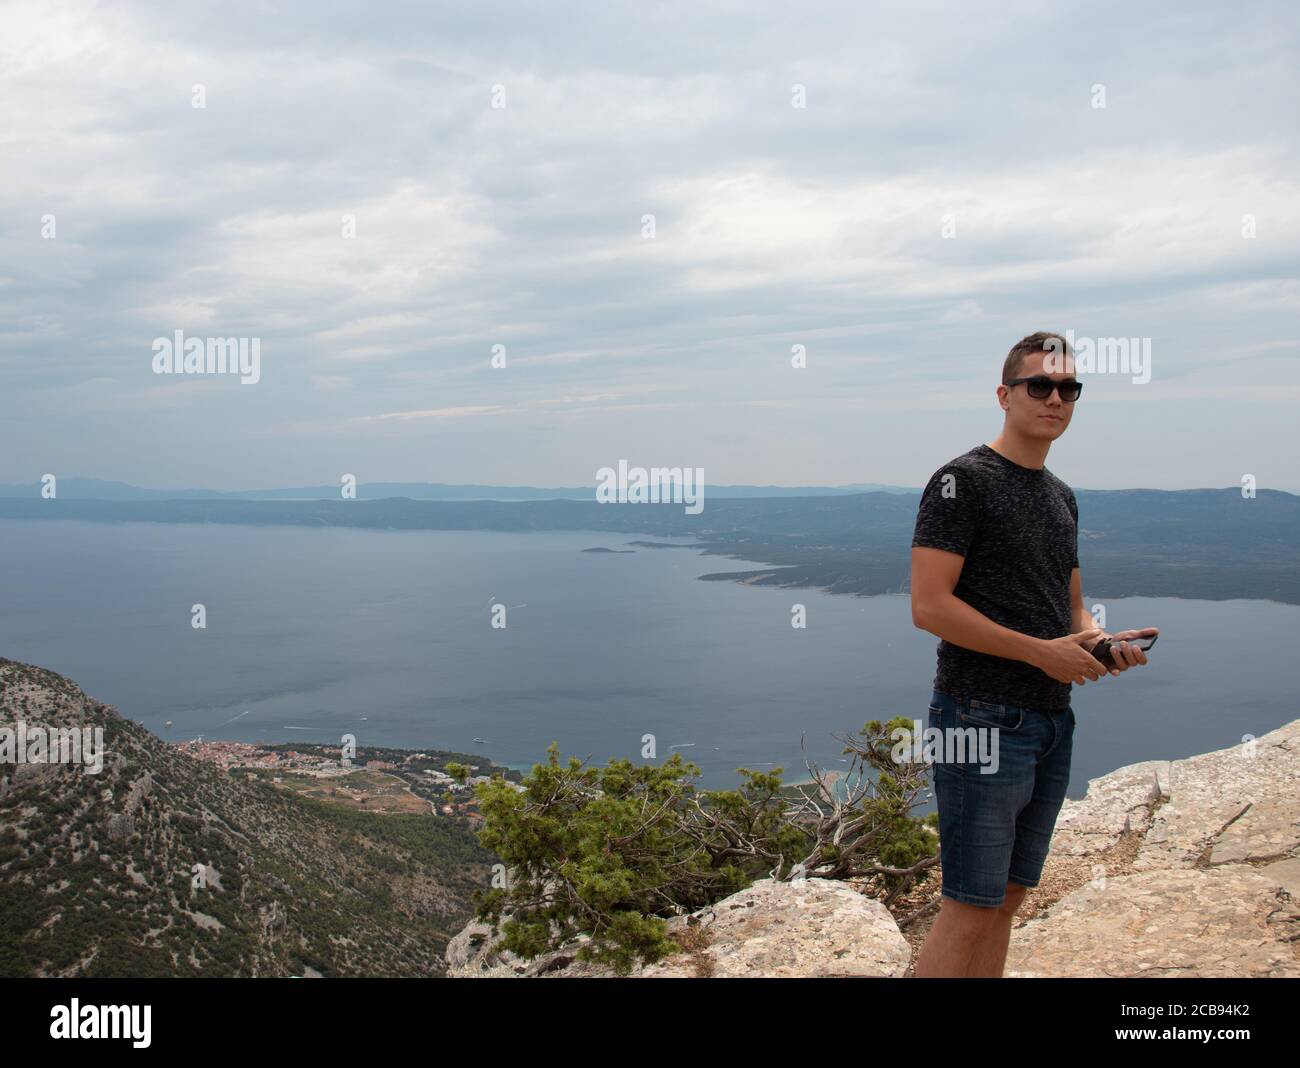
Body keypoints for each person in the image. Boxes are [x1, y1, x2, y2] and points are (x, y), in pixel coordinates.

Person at [909, 331, 1156, 978]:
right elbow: (929, 606)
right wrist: (1041, 655)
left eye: (1069, 388)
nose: (1055, 398)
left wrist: (1101, 643)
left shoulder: (1059, 495)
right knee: (969, 904)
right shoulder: (962, 482)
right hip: (981, 718)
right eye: (1039, 386)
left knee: (1011, 898)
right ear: (1004, 395)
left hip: (1050, 719)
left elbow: (1070, 606)